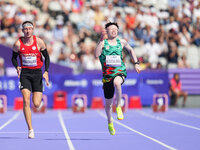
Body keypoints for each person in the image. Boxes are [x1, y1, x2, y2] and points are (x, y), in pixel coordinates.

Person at [94, 22, 141, 135]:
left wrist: (136, 63)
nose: (114, 31)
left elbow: (131, 50)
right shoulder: (103, 43)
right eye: (111, 29)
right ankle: (110, 122)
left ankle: (119, 106)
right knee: (108, 104)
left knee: (117, 83)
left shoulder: (122, 42)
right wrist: (100, 41)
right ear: (107, 31)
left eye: (116, 29)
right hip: (107, 76)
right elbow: (96, 55)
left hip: (120, 71)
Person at [12, 21, 50, 139]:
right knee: (26, 100)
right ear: (22, 31)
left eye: (29, 29)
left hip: (37, 73)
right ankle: (30, 129)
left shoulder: (39, 42)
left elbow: (47, 57)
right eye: (25, 29)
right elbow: (13, 58)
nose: (27, 31)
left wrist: (46, 71)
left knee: (37, 104)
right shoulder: (18, 44)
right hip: (25, 74)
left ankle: (38, 94)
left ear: (32, 30)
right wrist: (17, 66)